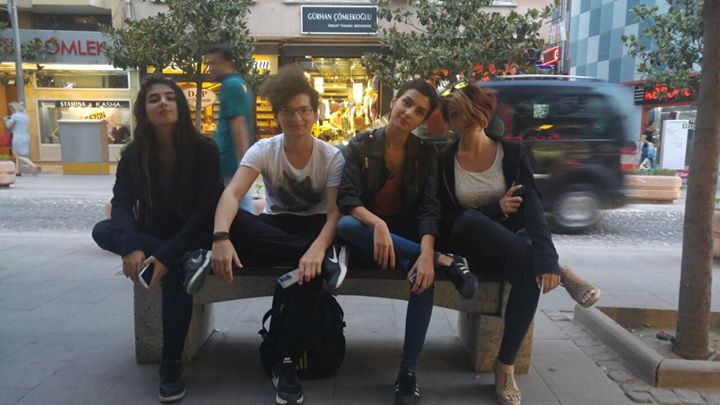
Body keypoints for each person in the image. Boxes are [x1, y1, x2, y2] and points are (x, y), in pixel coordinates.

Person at [182, 65, 346, 405]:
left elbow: (334, 214)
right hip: (276, 229)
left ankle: (284, 363)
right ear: (277, 115)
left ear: (315, 114)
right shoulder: (264, 149)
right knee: (231, 218)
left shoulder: (331, 157)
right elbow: (232, 194)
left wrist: (317, 247)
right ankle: (324, 259)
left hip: (315, 228)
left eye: (304, 110)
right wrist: (221, 237)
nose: (296, 118)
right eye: (288, 111)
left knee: (310, 272)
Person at [437, 81, 601, 405]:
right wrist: (496, 208)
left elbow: (532, 205)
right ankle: (560, 272)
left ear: (485, 111)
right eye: (455, 114)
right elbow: (446, 218)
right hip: (468, 252)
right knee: (471, 220)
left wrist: (546, 254)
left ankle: (505, 366)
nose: (464, 119)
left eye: (470, 110)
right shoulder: (444, 159)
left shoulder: (511, 153)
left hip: (509, 247)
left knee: (529, 275)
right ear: (450, 122)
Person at [336, 79, 480, 405]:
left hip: (404, 238)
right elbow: (347, 199)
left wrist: (426, 253)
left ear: (422, 120)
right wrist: (377, 224)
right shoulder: (360, 145)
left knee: (421, 276)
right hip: (367, 236)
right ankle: (448, 261)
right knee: (346, 225)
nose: (408, 113)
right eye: (406, 103)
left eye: (419, 111)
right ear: (394, 102)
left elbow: (429, 208)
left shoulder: (426, 153)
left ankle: (408, 372)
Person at [91, 76, 223, 402]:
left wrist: (164, 255)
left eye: (169, 97)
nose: (163, 103)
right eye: (154, 99)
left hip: (193, 233)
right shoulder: (135, 153)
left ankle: (171, 365)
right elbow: (121, 204)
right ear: (144, 111)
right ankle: (182, 260)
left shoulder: (204, 149)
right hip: (153, 234)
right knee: (101, 230)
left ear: (180, 105)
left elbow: (207, 210)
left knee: (175, 274)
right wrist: (132, 246)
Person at [204, 44, 255, 212]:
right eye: (209, 64)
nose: (210, 68)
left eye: (214, 63)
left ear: (229, 63)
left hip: (230, 165)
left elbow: (238, 124)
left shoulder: (231, 85)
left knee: (238, 209)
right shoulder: (240, 83)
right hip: (231, 165)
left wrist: (243, 164)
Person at [5, 102, 40, 175]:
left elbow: (9, 126)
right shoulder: (26, 116)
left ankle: (33, 165)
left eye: (11, 108)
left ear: (14, 108)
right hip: (26, 136)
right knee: (20, 155)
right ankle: (17, 171)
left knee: (17, 155)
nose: (11, 110)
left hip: (18, 137)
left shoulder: (14, 115)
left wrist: (6, 120)